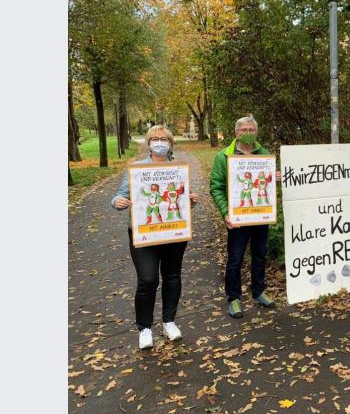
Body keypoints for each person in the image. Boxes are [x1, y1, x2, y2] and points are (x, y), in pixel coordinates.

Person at [111, 125, 200, 350]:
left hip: (173, 233)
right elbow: (120, 196)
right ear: (148, 143)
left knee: (172, 276)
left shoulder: (177, 169)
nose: (159, 142)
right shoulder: (136, 169)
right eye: (155, 138)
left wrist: (191, 200)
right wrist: (117, 202)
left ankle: (169, 321)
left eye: (164, 138)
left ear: (170, 143)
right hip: (144, 235)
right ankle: (145, 327)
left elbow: (183, 198)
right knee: (148, 279)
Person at [210, 116, 281, 318]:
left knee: (260, 255)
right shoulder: (224, 156)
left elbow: (264, 183)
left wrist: (273, 178)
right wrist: (226, 213)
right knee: (235, 259)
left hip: (260, 217)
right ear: (236, 132)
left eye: (251, 129)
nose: (248, 133)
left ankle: (258, 291)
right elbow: (216, 187)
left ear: (256, 132)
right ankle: (234, 298)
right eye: (244, 130)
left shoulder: (264, 154)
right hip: (238, 218)